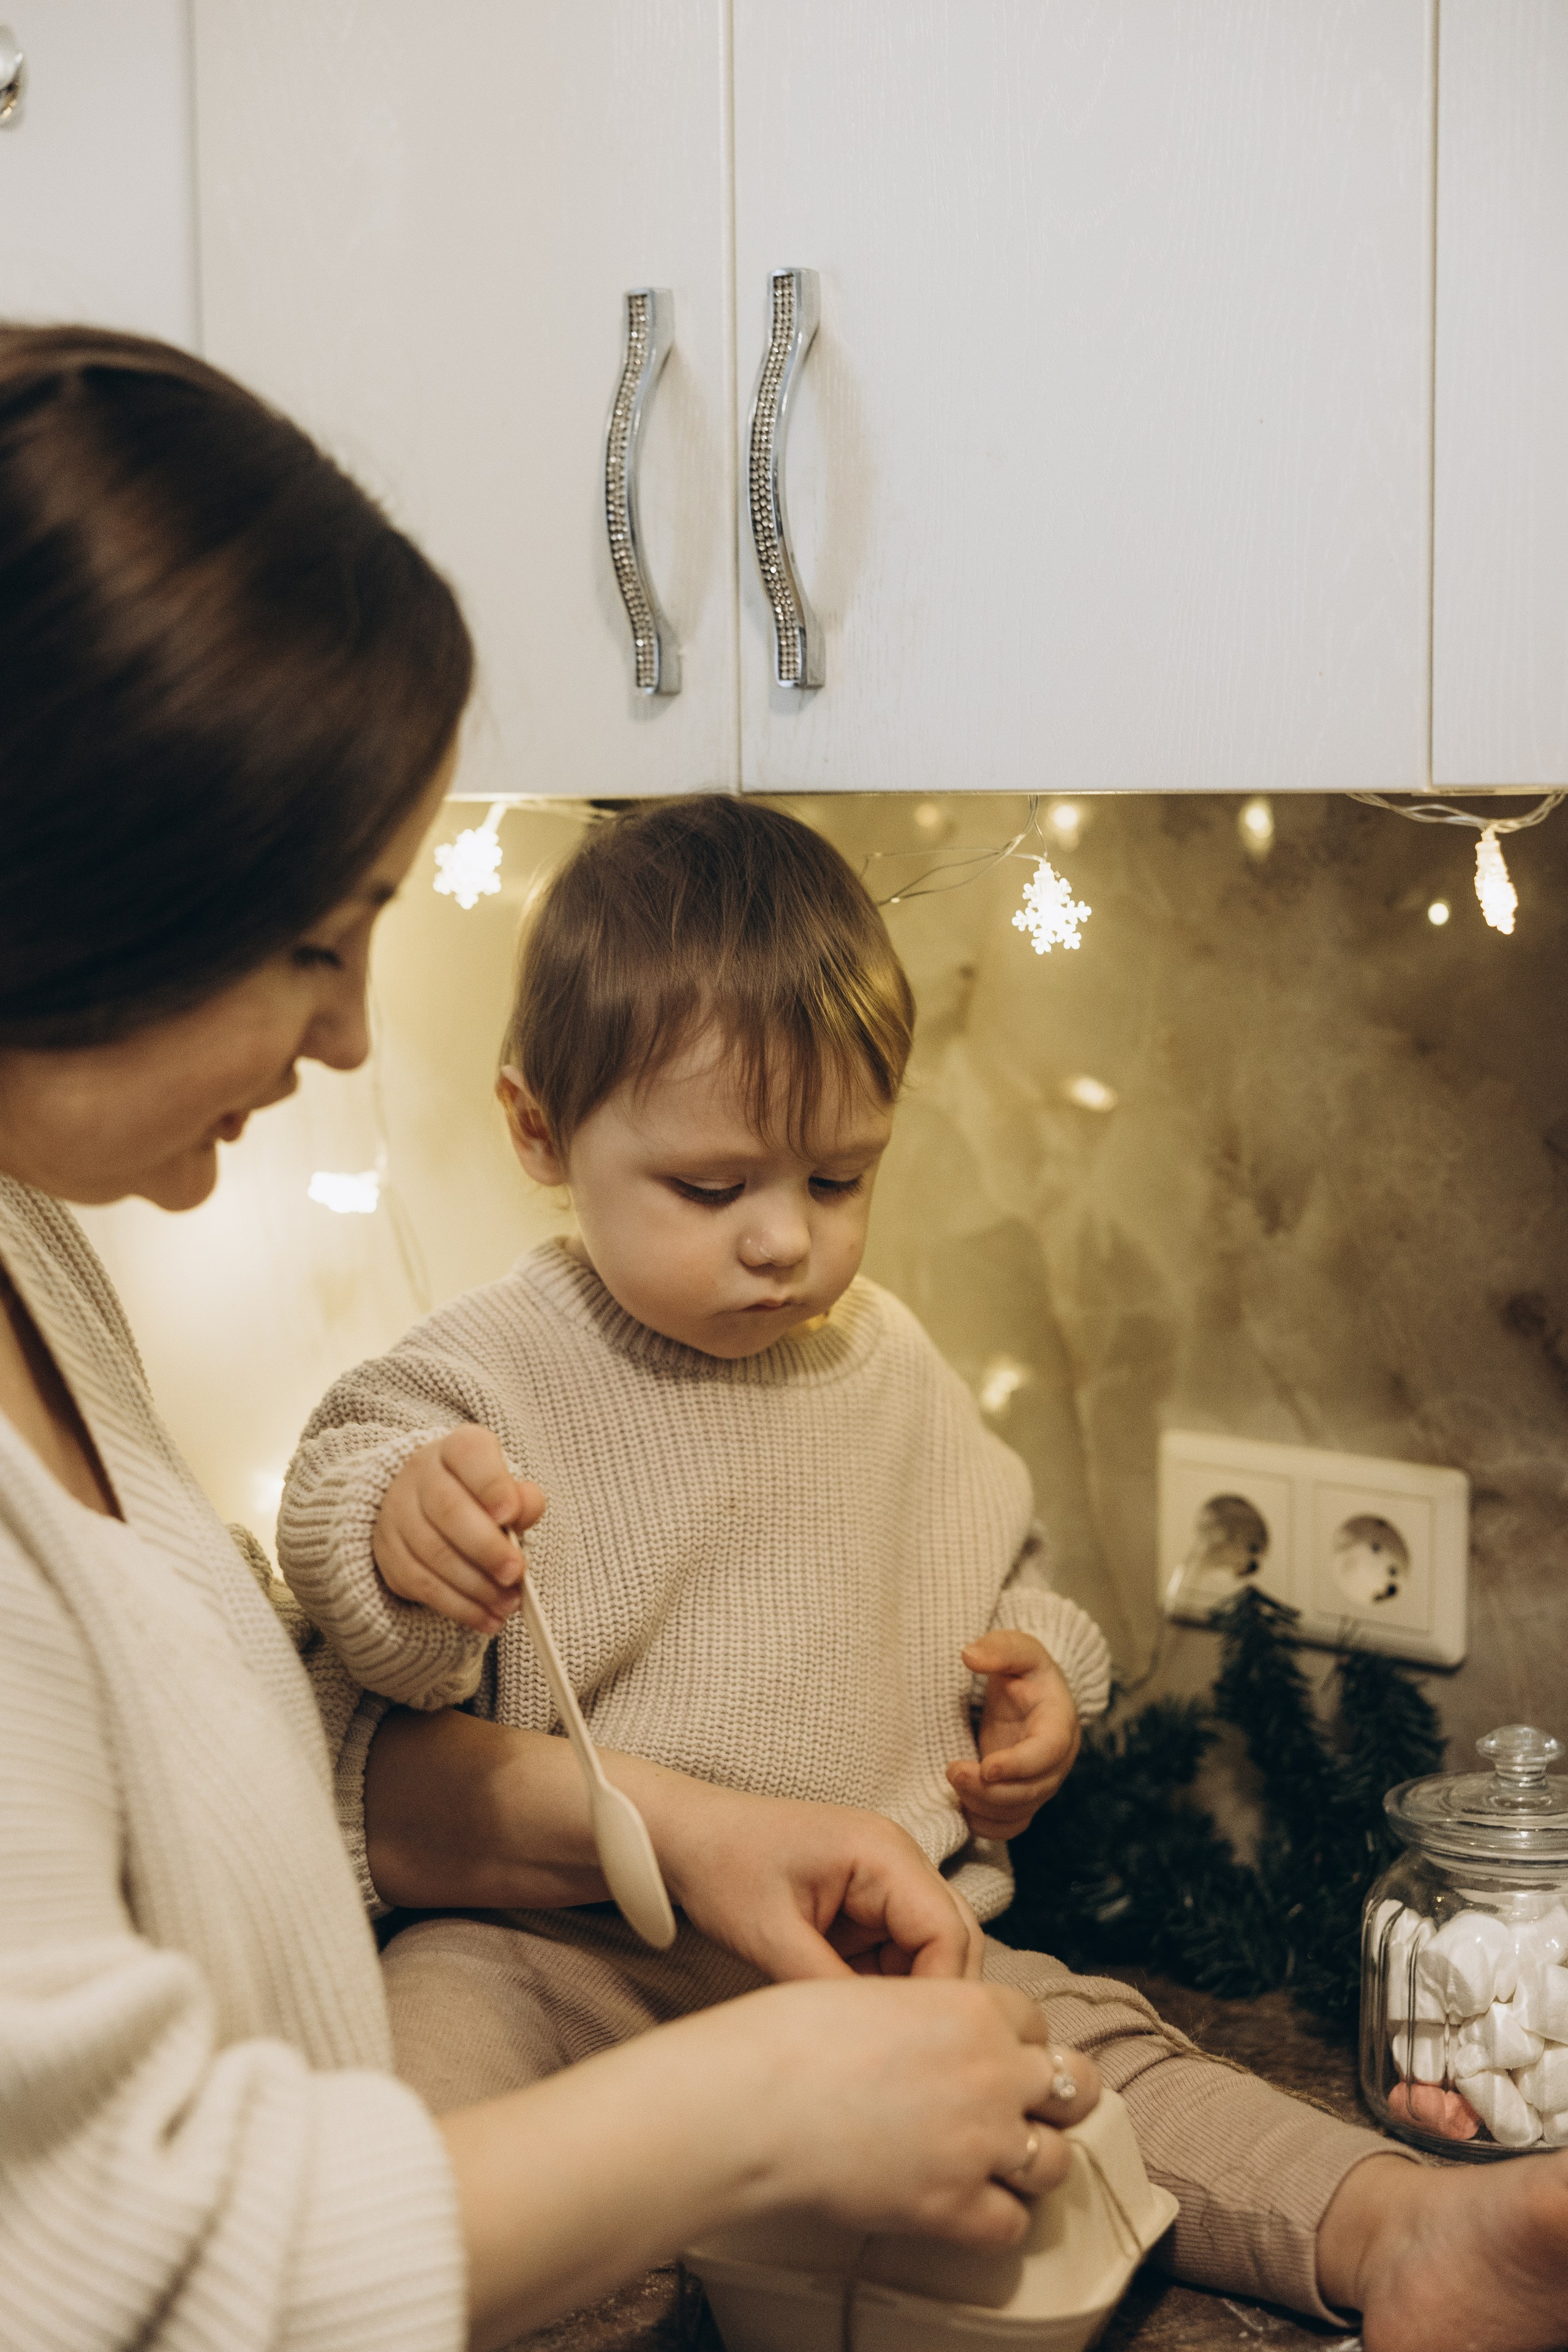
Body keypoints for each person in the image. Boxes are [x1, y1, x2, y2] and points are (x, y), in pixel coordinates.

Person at [0, 323, 1104, 2352]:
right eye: (314, 943)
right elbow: (89, 2259)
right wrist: (749, 2111)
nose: (346, 1037)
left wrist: (688, 1832)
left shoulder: (32, 1254)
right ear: (68, 888)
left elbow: (278, 1811)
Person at [281, 797, 1568, 2352]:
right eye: (713, 1189)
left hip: (876, 1957)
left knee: (1107, 2061)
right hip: (560, 1951)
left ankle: (1404, 2230)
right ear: (539, 1130)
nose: (785, 1244)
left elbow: (1003, 1572)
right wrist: (398, 1539)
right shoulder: (483, 1369)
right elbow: (360, 1589)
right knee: (423, 2082)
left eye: (835, 1181)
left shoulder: (880, 1360)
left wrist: (1039, 1678)